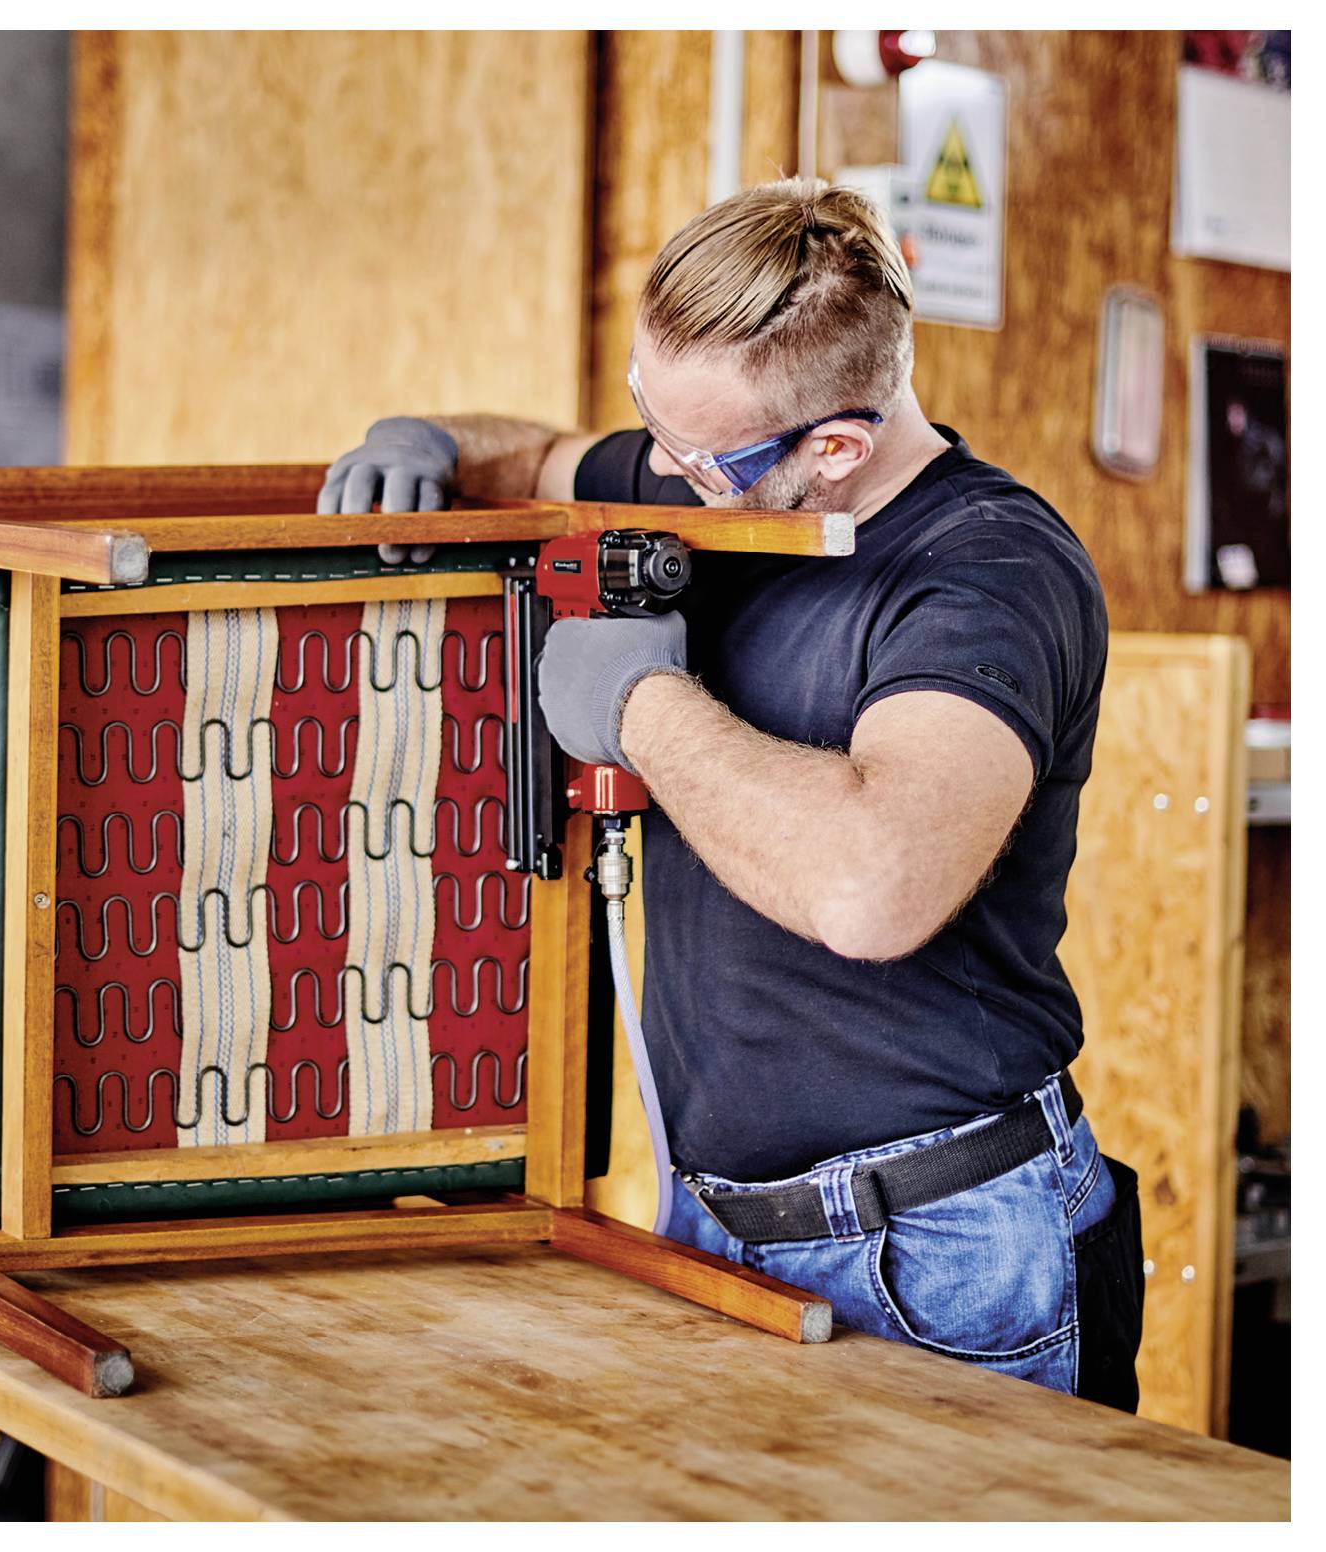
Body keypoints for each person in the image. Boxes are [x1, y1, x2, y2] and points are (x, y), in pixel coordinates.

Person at [315, 177, 1144, 1409]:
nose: (656, 467)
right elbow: (532, 452)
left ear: (836, 448)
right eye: (649, 411)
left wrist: (641, 708)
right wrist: (422, 441)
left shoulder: (989, 572)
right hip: (710, 1226)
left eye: (697, 455)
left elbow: (875, 886)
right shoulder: (705, 472)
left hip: (939, 1252)